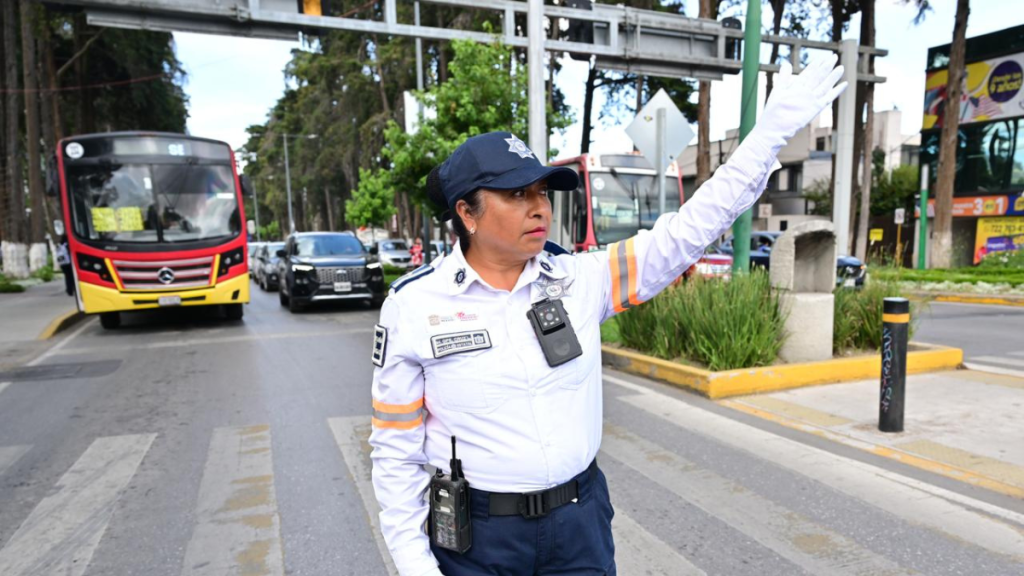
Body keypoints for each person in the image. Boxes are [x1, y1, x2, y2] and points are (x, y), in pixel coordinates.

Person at [369, 55, 847, 576]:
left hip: (578, 527)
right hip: (479, 541)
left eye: (541, 192)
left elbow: (687, 231)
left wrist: (769, 135)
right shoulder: (415, 305)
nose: (539, 208)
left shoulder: (578, 280)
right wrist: (416, 566)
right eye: (515, 194)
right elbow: (396, 451)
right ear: (466, 213)